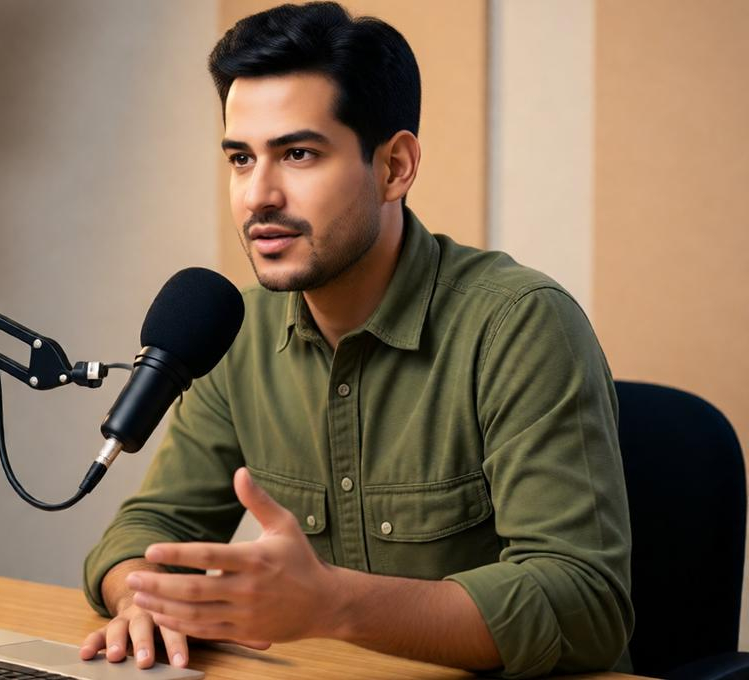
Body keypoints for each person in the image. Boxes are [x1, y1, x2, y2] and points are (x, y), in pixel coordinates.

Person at [79, 3, 633, 677]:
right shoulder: (238, 332)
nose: (257, 196)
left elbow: (585, 606)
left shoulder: (520, 324)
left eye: (298, 154)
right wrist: (143, 599)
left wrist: (334, 606)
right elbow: (143, 536)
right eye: (240, 158)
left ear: (395, 166)